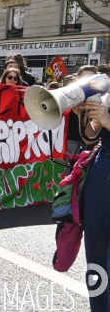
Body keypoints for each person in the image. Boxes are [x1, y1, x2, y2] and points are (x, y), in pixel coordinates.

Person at [74, 100, 110, 312]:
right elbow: (90, 136)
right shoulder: (106, 93)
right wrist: (84, 116)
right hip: (101, 171)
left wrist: (106, 119)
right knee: (96, 257)